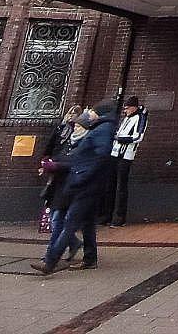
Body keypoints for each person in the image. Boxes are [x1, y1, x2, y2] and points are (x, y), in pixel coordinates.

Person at [33, 101, 118, 275]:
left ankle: (50, 261)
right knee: (87, 223)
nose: (89, 113)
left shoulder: (103, 129)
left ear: (100, 113)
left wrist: (83, 175)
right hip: (89, 184)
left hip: (87, 185)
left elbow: (101, 156)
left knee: (70, 223)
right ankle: (90, 258)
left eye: (92, 111)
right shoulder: (101, 128)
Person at [40, 105, 83, 259]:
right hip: (57, 180)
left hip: (67, 184)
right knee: (55, 218)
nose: (71, 119)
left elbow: (73, 161)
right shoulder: (62, 132)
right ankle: (73, 243)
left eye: (77, 123)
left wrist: (54, 165)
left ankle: (50, 255)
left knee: (57, 219)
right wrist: (46, 163)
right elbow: (52, 149)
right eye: (70, 114)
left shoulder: (80, 141)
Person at [108, 96, 148, 227]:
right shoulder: (126, 118)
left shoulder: (140, 118)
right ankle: (108, 215)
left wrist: (120, 139)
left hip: (126, 156)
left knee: (121, 187)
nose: (125, 111)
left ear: (134, 107)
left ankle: (119, 217)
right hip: (115, 153)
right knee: (111, 184)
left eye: (127, 108)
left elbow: (138, 137)